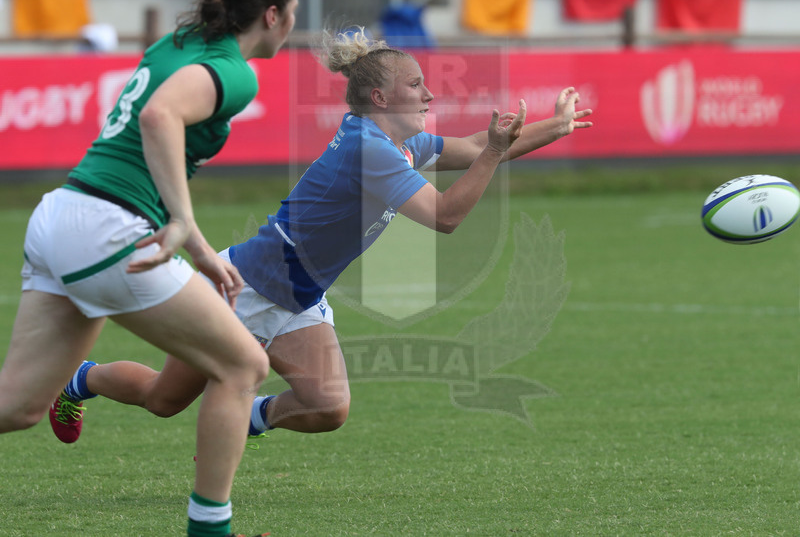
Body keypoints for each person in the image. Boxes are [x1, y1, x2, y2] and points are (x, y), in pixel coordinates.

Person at [50, 27, 592, 443]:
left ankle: (248, 419)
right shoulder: (370, 150)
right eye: (415, 85)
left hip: (299, 296)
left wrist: (556, 126)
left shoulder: (397, 143)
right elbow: (446, 215)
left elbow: (474, 148)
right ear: (380, 98)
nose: (429, 94)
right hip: (245, 287)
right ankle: (79, 380)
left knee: (328, 408)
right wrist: (494, 150)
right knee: (162, 400)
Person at [0, 0, 297, 537]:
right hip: (107, 229)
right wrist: (181, 221)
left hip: (62, 214)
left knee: (17, 406)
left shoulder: (181, 41)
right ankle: (210, 530)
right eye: (292, 9)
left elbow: (152, 150)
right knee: (243, 365)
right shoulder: (236, 73)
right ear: (272, 14)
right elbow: (160, 117)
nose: (292, 21)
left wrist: (200, 248)